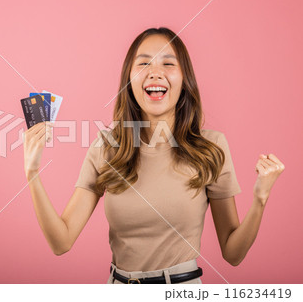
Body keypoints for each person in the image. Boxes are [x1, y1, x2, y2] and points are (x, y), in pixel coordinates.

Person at [22, 27, 285, 284]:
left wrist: (260, 198)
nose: (155, 73)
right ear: (129, 80)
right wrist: (32, 172)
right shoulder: (106, 147)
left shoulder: (211, 147)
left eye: (168, 64)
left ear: (184, 80)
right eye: (144, 63)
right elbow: (61, 241)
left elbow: (233, 253)